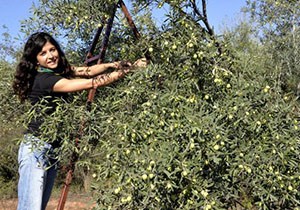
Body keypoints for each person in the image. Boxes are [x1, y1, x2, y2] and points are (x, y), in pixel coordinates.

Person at [12, 32, 147, 210]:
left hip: (52, 149)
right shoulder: (45, 80)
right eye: (43, 53)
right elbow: (91, 82)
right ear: (36, 60)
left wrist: (115, 64)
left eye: (52, 50)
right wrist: (129, 70)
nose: (50, 56)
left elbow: (88, 71)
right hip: (36, 149)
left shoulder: (58, 70)